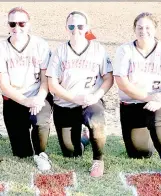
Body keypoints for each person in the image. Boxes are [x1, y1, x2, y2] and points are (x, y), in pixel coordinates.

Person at [113, 12, 161, 181]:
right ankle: (153, 134)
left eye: (148, 27)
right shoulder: (125, 50)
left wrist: (160, 99)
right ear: (134, 29)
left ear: (155, 29)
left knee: (156, 117)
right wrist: (149, 98)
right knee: (139, 153)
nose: (144, 30)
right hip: (133, 103)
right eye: (140, 27)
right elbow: (122, 83)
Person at [46, 11, 113, 177]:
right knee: (71, 153)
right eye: (71, 26)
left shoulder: (98, 49)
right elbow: (52, 84)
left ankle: (98, 160)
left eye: (80, 26)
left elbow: (108, 78)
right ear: (66, 28)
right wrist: (74, 98)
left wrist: (96, 96)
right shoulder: (60, 51)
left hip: (90, 101)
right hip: (65, 104)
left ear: (87, 27)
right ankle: (84, 138)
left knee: (96, 121)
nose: (76, 30)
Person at [0, 7, 53, 172]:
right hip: (14, 99)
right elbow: (3, 85)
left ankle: (41, 153)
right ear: (8, 25)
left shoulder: (40, 45)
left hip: (38, 95)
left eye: (22, 23)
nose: (17, 28)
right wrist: (26, 101)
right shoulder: (0, 49)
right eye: (12, 24)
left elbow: (45, 80)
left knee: (40, 123)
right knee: (22, 153)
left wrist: (38, 99)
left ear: (29, 24)